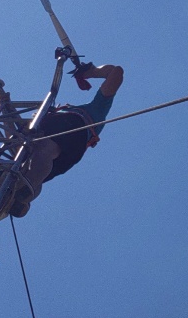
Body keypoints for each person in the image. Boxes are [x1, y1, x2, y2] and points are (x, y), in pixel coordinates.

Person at [9, 62, 124, 218]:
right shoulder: (42, 121)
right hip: (54, 152)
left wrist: (90, 72)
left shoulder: (93, 110)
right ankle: (19, 195)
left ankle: (23, 190)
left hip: (74, 129)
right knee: (32, 164)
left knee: (44, 151)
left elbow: (116, 73)